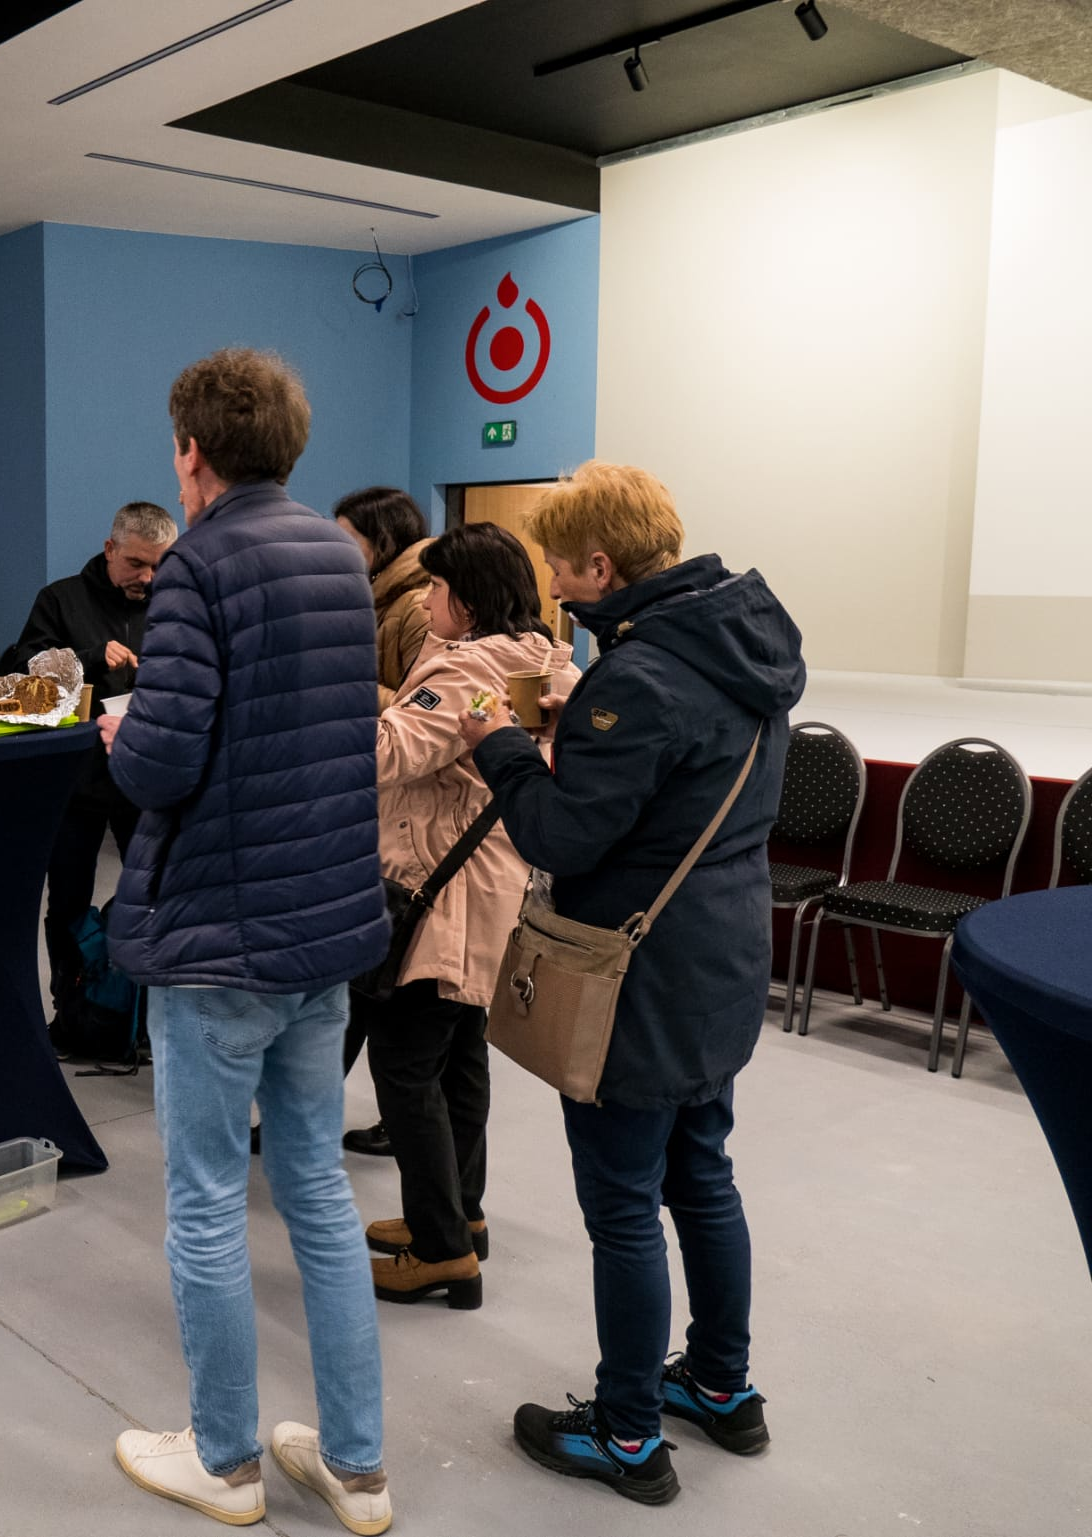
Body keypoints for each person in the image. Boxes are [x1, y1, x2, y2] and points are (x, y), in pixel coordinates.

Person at [460, 461, 802, 1505]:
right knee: (702, 1174)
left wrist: (502, 745)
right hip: (723, 957)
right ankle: (719, 1384)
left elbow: (562, 831)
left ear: (600, 563)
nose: (553, 590)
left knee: (620, 1206)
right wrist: (588, 716)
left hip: (635, 980)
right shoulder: (739, 642)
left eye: (560, 569)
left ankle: (622, 1435)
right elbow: (671, 781)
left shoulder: (641, 677)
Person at [101, 348, 395, 1533]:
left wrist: (115, 737)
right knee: (317, 1191)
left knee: (209, 1203)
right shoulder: (339, 553)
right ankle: (358, 1471)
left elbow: (164, 757)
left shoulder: (197, 566)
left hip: (220, 934)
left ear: (189, 452)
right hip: (323, 929)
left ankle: (223, 1461)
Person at [359, 522, 578, 1310]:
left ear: (470, 599)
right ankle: (460, 1213)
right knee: (459, 1057)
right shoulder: (543, 662)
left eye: (436, 588)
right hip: (494, 887)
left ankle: (441, 1249)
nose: (425, 601)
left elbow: (387, 753)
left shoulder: (462, 671)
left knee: (406, 1064)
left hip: (439, 892)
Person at [2, 501, 178, 1030]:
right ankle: (71, 1009)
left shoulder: (176, 605)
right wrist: (92, 657)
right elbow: (22, 674)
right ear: (109, 550)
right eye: (136, 565)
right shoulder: (60, 599)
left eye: (157, 566)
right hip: (74, 779)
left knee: (154, 896)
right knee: (70, 899)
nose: (146, 578)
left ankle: (143, 1014)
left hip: (145, 778)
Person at [332, 486, 433, 1161]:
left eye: (348, 536)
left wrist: (342, 683)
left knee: (370, 987)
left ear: (381, 539)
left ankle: (308, 1114)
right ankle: (301, 1112)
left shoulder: (419, 605)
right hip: (375, 812)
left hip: (402, 822)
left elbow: (426, 718)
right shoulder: (384, 597)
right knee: (356, 986)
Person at [334, 486, 432, 695]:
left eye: (347, 541)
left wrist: (348, 683)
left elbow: (424, 707)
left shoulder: (421, 605)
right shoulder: (373, 593)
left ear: (385, 541)